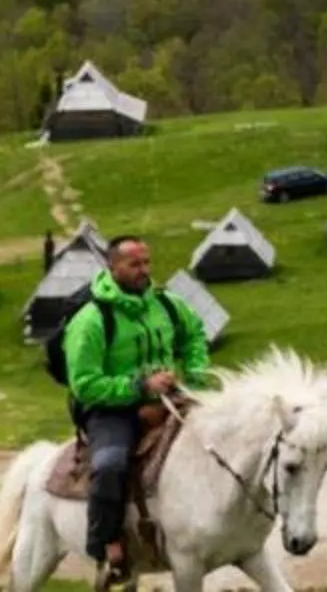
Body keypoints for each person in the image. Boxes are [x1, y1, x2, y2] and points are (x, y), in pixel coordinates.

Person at [63, 233, 212, 584]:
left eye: (147, 262)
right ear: (112, 267)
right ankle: (107, 546)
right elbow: (84, 383)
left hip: (171, 398)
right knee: (110, 465)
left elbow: (194, 337)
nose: (144, 270)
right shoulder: (91, 320)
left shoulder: (168, 304)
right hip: (109, 408)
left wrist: (193, 378)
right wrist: (138, 388)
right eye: (134, 264)